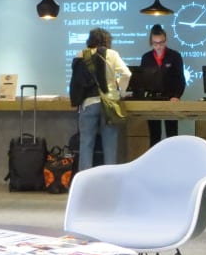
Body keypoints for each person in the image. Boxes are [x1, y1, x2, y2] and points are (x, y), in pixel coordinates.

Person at [70, 27, 131, 172]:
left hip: (89, 104)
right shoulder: (112, 54)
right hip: (108, 105)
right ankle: (109, 180)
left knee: (86, 144)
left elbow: (76, 83)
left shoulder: (80, 55)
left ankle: (85, 180)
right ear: (107, 40)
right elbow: (126, 74)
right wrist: (120, 92)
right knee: (110, 146)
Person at [140, 23, 185, 146]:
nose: (159, 46)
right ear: (151, 42)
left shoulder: (174, 56)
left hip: (171, 99)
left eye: (161, 43)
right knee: (154, 136)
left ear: (165, 40)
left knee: (172, 135)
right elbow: (142, 80)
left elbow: (180, 79)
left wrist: (176, 96)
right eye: (155, 43)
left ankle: (173, 157)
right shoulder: (146, 58)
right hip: (152, 99)